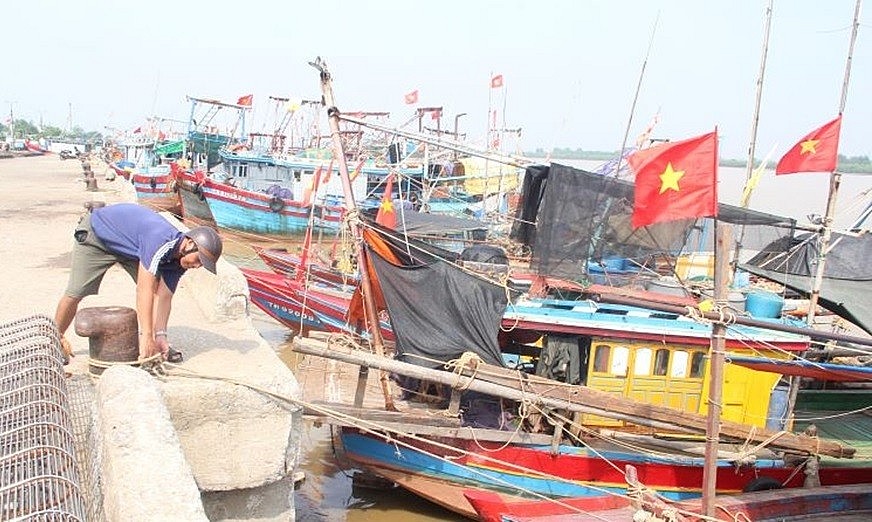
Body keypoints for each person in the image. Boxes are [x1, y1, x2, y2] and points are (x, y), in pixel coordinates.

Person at [54, 203, 223, 363]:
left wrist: (160, 335)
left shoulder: (180, 260)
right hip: (97, 236)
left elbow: (164, 296)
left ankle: (157, 343)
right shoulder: (160, 241)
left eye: (201, 264)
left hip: (128, 245)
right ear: (190, 244)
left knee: (157, 288)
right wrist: (146, 336)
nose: (197, 266)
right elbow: (144, 289)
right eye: (199, 260)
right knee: (76, 292)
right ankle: (55, 340)